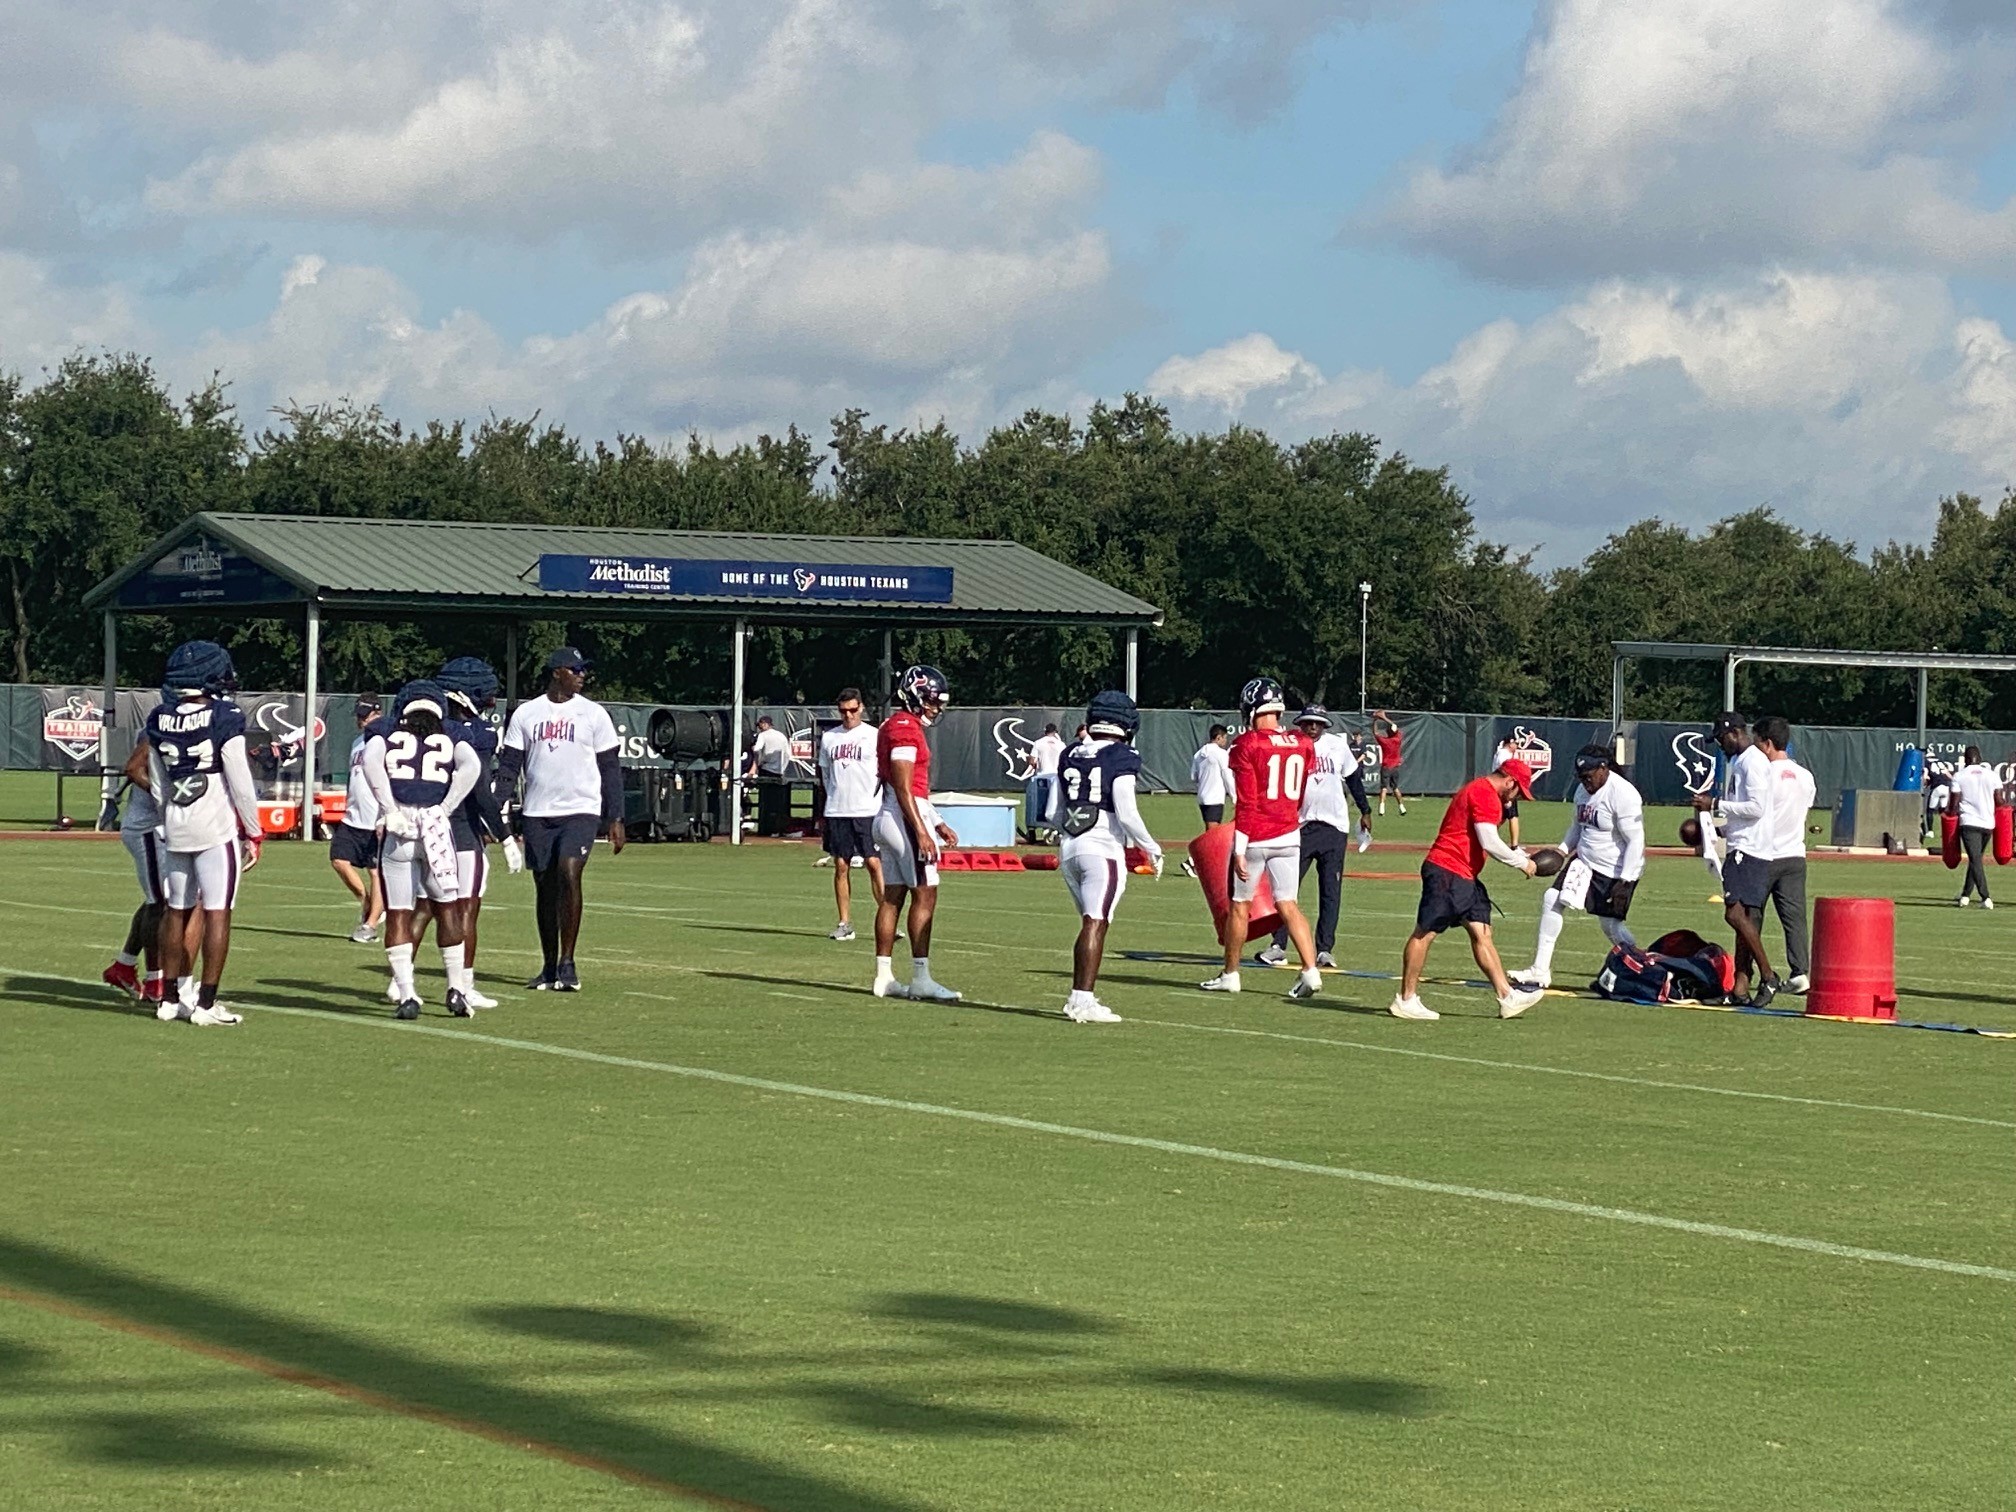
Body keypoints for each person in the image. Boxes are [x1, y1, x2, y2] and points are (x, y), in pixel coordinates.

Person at [145, 640, 264, 1026]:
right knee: (218, 912)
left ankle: (168, 997)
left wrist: (169, 817)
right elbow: (239, 779)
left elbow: (159, 782)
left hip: (177, 821)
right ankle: (207, 1004)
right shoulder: (224, 716)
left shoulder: (159, 716)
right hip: (214, 823)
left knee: (175, 911)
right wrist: (254, 829)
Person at [496, 647, 626, 992]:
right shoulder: (527, 713)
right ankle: (549, 965)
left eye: (584, 670)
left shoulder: (593, 714)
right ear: (557, 672)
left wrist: (615, 815)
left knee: (569, 870)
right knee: (545, 885)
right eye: (576, 669)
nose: (582, 675)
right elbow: (510, 765)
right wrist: (497, 807)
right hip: (538, 811)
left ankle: (568, 963)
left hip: (580, 809)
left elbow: (610, 767)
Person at [362, 680, 483, 1021]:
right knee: (448, 909)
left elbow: (370, 761)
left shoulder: (385, 730)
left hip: (400, 825)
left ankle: (407, 993)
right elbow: (472, 767)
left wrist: (388, 808)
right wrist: (445, 807)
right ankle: (456, 988)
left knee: (399, 912)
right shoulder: (452, 732)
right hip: (434, 827)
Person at [1198, 677, 1324, 1000]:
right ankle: (1310, 970)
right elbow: (1299, 797)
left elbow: (1248, 803)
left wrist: (1239, 849)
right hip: (1289, 834)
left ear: (1252, 709)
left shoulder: (1247, 745)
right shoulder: (1302, 743)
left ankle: (1231, 974)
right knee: (1289, 904)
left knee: (1239, 906)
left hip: (1255, 837)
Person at [1390, 760, 1545, 1021]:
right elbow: (1490, 841)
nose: (1517, 797)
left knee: (1481, 932)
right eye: (1518, 791)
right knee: (1425, 932)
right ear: (1510, 782)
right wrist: (1523, 863)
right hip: (1448, 870)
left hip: (1465, 875)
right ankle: (1406, 999)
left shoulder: (1484, 791)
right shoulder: (1484, 793)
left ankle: (1507, 997)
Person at [1050, 692, 1163, 1023]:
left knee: (1092, 921)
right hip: (1102, 847)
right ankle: (1081, 1000)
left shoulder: (1070, 752)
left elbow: (1052, 811)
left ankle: (1082, 996)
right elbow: (1126, 812)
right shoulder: (1121, 754)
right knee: (1095, 922)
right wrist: (1151, 846)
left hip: (1070, 846)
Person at [1511, 746, 1643, 991]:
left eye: (1589, 776)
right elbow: (1577, 826)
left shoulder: (1623, 794)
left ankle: (1641, 967)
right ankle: (1540, 970)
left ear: (1603, 769)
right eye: (1581, 777)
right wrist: (1562, 851)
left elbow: (1636, 840)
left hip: (1613, 869)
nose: (1585, 782)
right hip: (1584, 862)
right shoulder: (1583, 791)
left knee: (1611, 926)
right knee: (1552, 898)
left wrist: (1626, 880)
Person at [1256, 705, 1370, 970]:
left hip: (1334, 827)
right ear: (1301, 724)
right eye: (1308, 722)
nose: (1313, 727)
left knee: (1331, 891)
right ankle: (1278, 945)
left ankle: (1325, 949)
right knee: (1287, 888)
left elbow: (1353, 779)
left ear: (1325, 725)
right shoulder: (1291, 745)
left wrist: (1365, 810)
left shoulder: (1337, 746)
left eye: (1318, 723)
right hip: (1300, 826)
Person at [872, 664, 961, 1002]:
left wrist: (935, 820)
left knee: (893, 895)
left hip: (892, 813)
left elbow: (911, 791)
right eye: (931, 700)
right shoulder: (905, 728)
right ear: (914, 695)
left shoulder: (897, 725)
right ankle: (921, 977)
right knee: (925, 893)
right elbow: (904, 786)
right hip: (903, 816)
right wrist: (923, 831)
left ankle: (884, 976)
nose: (935, 707)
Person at [437, 657, 516, 1007]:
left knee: (422, 907)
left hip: (422, 827)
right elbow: (480, 789)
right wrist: (505, 835)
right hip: (462, 830)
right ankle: (463, 985)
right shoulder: (477, 735)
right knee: (466, 908)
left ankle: (401, 978)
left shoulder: (418, 728)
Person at [1693, 712, 1779, 1004]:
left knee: (1734, 915)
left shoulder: (1752, 761)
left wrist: (1714, 803)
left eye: (1720, 739)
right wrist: (1716, 829)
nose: (1719, 745)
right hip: (1746, 843)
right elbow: (1747, 814)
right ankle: (1740, 989)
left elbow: (1756, 807)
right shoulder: (1741, 761)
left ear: (1734, 733)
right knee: (1745, 920)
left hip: (1749, 848)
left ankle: (1768, 975)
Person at [102, 739, 168, 1006]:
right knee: (159, 903)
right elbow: (133, 768)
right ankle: (156, 980)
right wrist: (164, 795)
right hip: (148, 828)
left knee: (160, 898)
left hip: (163, 826)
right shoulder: (164, 725)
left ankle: (124, 966)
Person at [1753, 717, 1816, 991]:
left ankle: (1753, 973)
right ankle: (1800, 972)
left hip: (1765, 854)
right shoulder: (1805, 775)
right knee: (1794, 919)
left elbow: (1754, 812)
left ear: (1767, 744)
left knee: (1750, 916)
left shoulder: (1764, 775)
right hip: (1794, 854)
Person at [818, 687, 884, 941]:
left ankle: (887, 917)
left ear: (862, 708)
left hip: (867, 808)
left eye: (853, 710)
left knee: (873, 863)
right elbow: (825, 774)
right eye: (843, 711)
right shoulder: (829, 738)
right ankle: (844, 922)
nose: (848, 715)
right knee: (841, 865)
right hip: (837, 809)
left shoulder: (873, 736)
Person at [330, 697, 386, 944]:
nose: (361, 720)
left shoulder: (385, 742)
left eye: (366, 714)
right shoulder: (356, 742)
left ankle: (370, 925)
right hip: (353, 816)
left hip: (376, 819)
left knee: (376, 872)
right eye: (359, 715)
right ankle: (367, 901)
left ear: (378, 712)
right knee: (339, 860)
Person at [1951, 745, 2000, 909]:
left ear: (1965, 759)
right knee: (1975, 859)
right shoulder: (1992, 775)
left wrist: (1948, 813)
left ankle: (1985, 897)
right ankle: (1965, 895)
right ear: (1980, 758)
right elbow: (2000, 800)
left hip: (1969, 822)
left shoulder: (1959, 776)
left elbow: (1954, 801)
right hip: (1988, 823)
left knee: (1975, 859)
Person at [745, 714, 794, 836]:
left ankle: (765, 829)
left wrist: (756, 758)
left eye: (760, 725)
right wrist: (782, 768)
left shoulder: (763, 735)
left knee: (765, 802)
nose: (759, 727)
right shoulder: (781, 736)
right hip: (778, 772)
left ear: (765, 724)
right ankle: (777, 829)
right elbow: (788, 754)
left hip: (766, 770)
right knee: (776, 802)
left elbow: (757, 749)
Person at [1026, 722, 1066, 840]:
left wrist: (1030, 763)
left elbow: (1033, 761)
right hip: (1056, 777)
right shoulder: (1061, 744)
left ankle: (1032, 829)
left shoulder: (1038, 743)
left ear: (1045, 731)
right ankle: (1054, 828)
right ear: (1055, 732)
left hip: (1041, 777)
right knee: (1054, 803)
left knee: (1034, 803)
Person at [1191, 725, 1232, 826]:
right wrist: (1234, 795)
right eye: (1224, 737)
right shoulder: (1221, 753)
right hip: (1215, 797)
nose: (1225, 741)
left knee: (1210, 827)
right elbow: (1227, 775)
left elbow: (1193, 777)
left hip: (1202, 797)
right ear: (1218, 737)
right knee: (1213, 831)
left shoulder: (1198, 754)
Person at [1372, 711, 1407, 816]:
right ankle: (1402, 807)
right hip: (1395, 767)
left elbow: (1375, 733)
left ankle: (1381, 808)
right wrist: (1386, 718)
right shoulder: (1398, 739)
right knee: (1395, 788)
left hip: (1386, 767)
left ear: (1387, 732)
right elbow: (1395, 727)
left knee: (1384, 788)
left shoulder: (1385, 741)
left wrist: (1375, 720)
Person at [1491, 737, 1523, 847]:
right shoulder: (1504, 754)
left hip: (1503, 787)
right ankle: (1515, 846)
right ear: (1510, 744)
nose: (1517, 746)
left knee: (1503, 816)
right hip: (1505, 788)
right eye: (1516, 744)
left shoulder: (1503, 753)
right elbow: (1505, 771)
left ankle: (1488, 838)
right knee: (1512, 815)